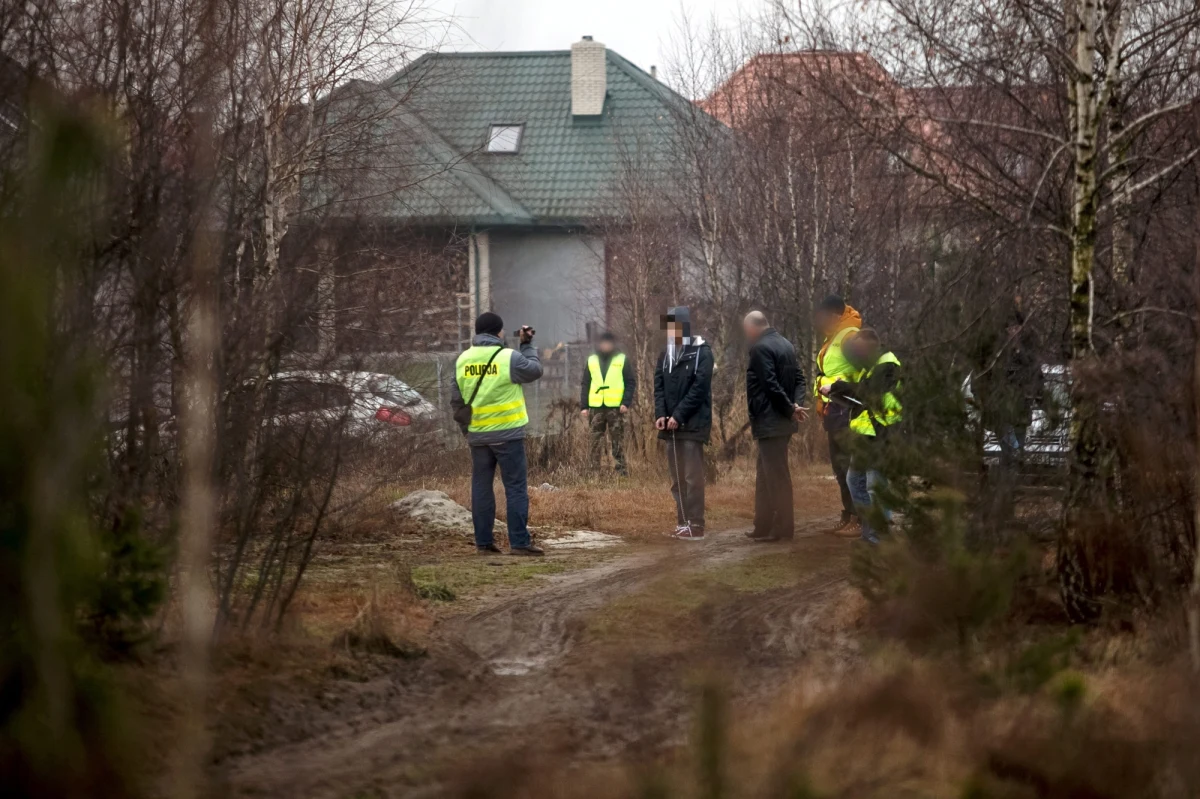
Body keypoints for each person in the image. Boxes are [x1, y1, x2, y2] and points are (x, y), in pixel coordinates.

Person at [450, 312, 545, 556]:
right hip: (508, 435)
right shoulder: (508, 358)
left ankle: (483, 543)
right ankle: (519, 543)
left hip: (478, 437)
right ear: (499, 332)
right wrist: (526, 345)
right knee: (514, 487)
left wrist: (468, 431)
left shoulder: (462, 360)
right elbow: (534, 371)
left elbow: (456, 401)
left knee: (481, 487)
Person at [823, 328, 902, 545]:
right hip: (867, 436)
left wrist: (837, 387)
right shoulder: (872, 366)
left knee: (876, 486)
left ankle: (878, 537)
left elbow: (866, 392)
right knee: (854, 480)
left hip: (883, 435)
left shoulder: (887, 364)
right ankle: (871, 533)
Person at [742, 311, 808, 543]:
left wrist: (791, 408)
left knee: (776, 476)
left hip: (771, 420)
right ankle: (763, 524)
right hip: (782, 421)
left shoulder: (760, 348)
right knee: (764, 474)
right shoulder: (786, 344)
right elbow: (800, 378)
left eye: (746, 329)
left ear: (753, 328)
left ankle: (782, 528)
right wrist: (796, 403)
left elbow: (769, 385)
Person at [653, 306, 713, 541]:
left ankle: (696, 524)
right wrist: (661, 414)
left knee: (692, 478)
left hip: (692, 425)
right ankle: (682, 522)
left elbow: (699, 389)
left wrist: (679, 415)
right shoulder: (665, 353)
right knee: (677, 479)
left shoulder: (702, 352)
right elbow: (658, 383)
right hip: (670, 427)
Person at [812, 294, 863, 535]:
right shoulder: (832, 337)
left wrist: (834, 385)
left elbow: (863, 375)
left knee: (849, 467)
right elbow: (826, 373)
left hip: (847, 410)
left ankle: (859, 518)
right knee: (839, 467)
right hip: (834, 410)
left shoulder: (850, 337)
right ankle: (848, 513)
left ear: (834, 316)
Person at [580, 331, 636, 476]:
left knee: (617, 441)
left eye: (608, 343)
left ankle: (621, 473)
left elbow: (630, 382)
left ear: (612, 344)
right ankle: (593, 473)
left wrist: (626, 402)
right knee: (594, 442)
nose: (605, 345)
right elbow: (586, 383)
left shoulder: (621, 359)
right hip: (596, 407)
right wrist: (584, 406)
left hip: (615, 408)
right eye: (603, 343)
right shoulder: (592, 360)